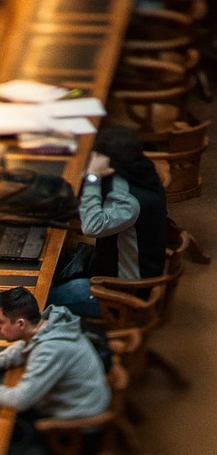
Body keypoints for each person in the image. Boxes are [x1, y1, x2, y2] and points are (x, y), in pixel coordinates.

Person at [0, 287, 110, 455]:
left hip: (77, 427)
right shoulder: (51, 323)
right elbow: (28, 343)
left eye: (0, 321)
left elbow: (21, 400)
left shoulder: (50, 350)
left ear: (20, 324)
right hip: (81, 402)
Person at [49, 126, 168, 317]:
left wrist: (93, 177)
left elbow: (91, 226)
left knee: (43, 296)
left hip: (122, 291)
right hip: (115, 266)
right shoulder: (140, 168)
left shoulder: (129, 202)